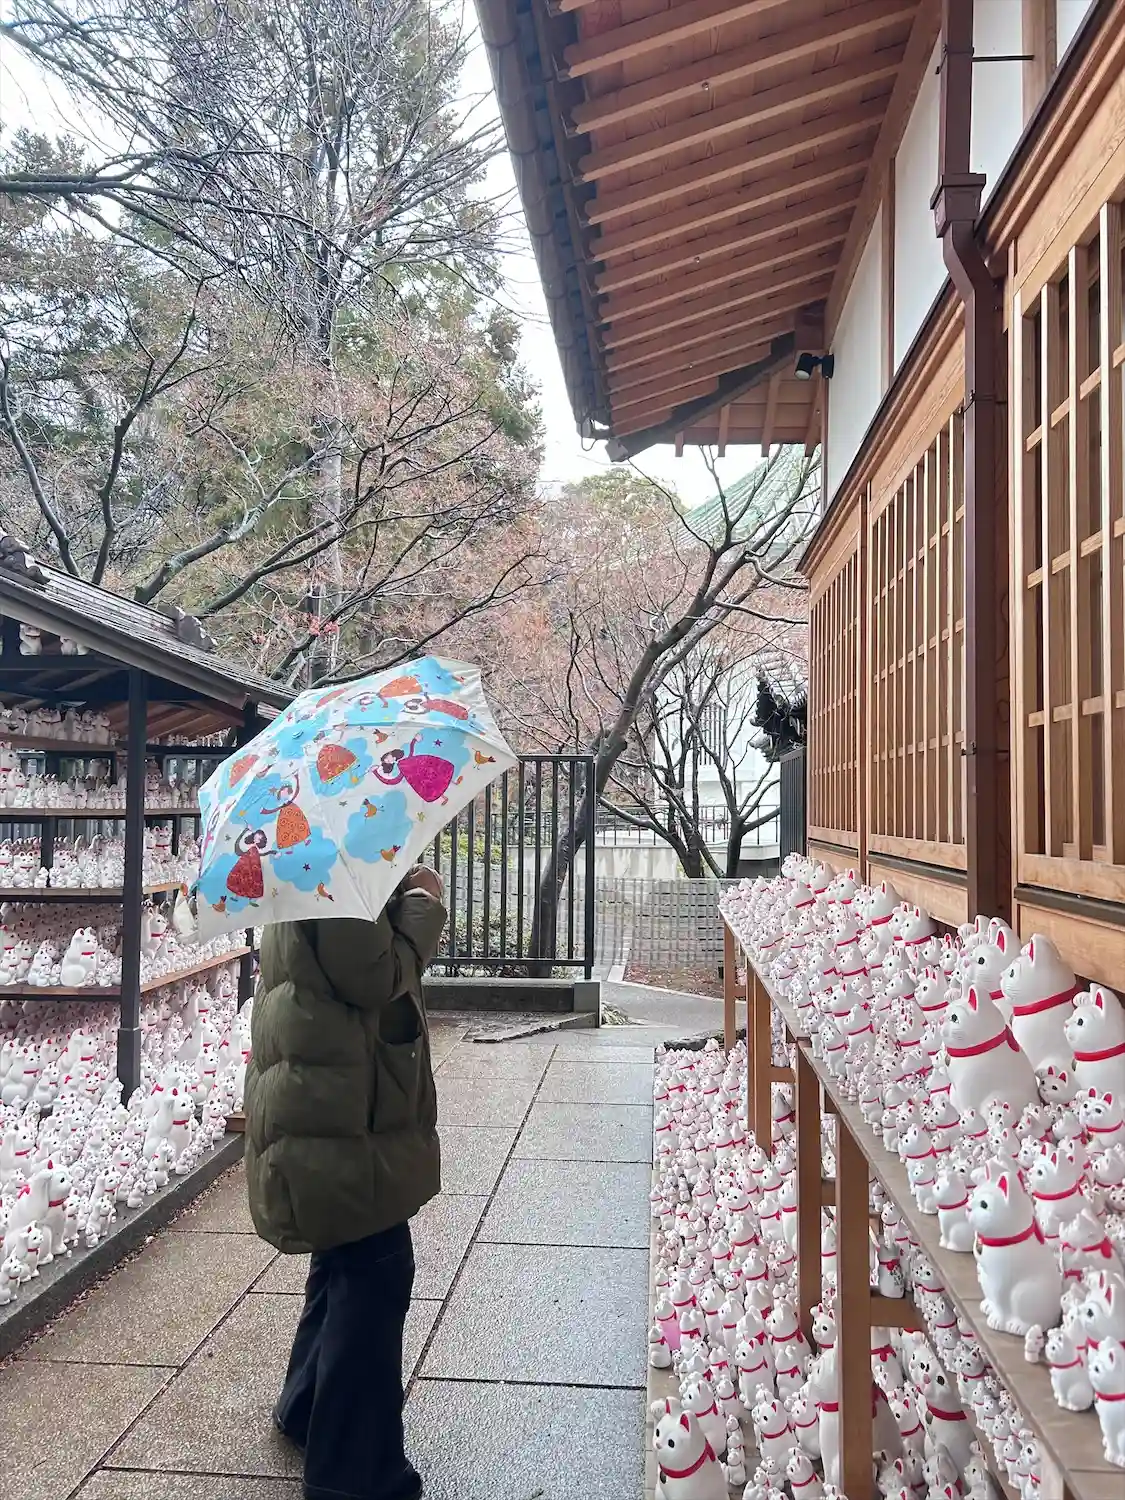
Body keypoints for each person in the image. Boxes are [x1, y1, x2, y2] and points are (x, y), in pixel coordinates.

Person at [244, 866, 447, 1500]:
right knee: (376, 1266)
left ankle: (308, 1407)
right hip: (340, 1106)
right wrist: (423, 904)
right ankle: (352, 1476)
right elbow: (373, 974)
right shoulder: (333, 865)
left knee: (347, 1248)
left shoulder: (304, 854)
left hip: (324, 1092)